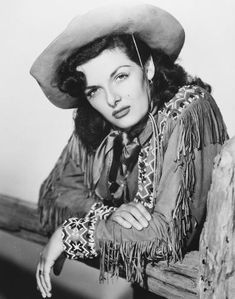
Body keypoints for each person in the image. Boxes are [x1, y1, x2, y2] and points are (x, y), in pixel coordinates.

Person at [30, 3, 228, 298]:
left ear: (146, 67)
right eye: (93, 90)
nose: (112, 99)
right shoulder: (99, 119)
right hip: (146, 288)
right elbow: (53, 194)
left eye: (120, 76)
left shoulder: (188, 111)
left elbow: (165, 236)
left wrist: (74, 234)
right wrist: (107, 214)